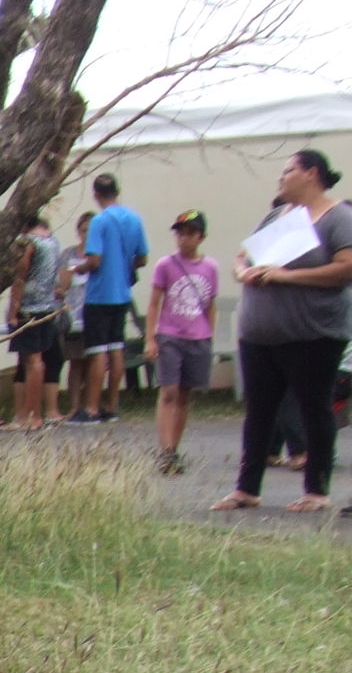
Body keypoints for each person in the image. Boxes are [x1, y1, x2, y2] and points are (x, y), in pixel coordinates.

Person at [214, 149, 352, 515]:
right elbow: (243, 256)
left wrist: (285, 275)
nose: (281, 178)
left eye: (288, 171)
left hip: (312, 334)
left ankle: (316, 490)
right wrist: (243, 272)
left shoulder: (338, 217)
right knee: (259, 411)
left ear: (311, 174)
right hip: (261, 334)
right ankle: (246, 489)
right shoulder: (279, 215)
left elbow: (345, 268)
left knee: (313, 407)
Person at [144, 209, 218, 474]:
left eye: (190, 234)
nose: (184, 239)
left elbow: (210, 304)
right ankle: (164, 450)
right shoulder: (166, 265)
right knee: (169, 391)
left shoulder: (210, 267)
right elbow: (154, 304)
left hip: (197, 336)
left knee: (185, 394)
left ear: (201, 237)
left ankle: (174, 448)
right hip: (170, 335)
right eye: (180, 234)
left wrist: (209, 334)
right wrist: (151, 339)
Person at [72, 173, 148, 422]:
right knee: (116, 348)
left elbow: (94, 260)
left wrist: (78, 269)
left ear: (96, 195)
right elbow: (142, 258)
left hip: (99, 293)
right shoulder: (134, 219)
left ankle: (91, 407)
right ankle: (111, 405)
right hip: (122, 293)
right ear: (118, 191)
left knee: (97, 350)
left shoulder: (100, 222)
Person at [5, 217, 62, 432]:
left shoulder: (28, 243)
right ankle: (29, 414)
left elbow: (20, 277)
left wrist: (13, 310)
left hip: (29, 307)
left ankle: (32, 415)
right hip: (48, 305)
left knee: (32, 361)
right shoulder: (51, 240)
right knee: (35, 361)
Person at [56, 211, 95, 423]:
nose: (87, 234)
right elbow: (62, 282)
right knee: (75, 362)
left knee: (93, 362)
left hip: (94, 313)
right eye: (84, 229)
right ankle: (74, 406)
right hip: (74, 315)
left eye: (91, 229)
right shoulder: (69, 254)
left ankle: (91, 404)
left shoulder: (99, 255)